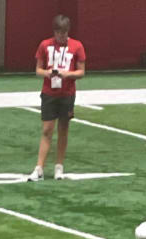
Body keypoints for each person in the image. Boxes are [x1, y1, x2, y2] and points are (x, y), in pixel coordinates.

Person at [27, 14, 86, 182]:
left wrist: (67, 74)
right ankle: (39, 168)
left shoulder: (77, 46)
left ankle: (59, 166)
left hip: (67, 94)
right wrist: (48, 72)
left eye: (65, 33)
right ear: (54, 32)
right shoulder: (45, 45)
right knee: (47, 130)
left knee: (63, 129)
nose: (62, 36)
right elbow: (37, 69)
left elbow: (82, 72)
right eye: (60, 33)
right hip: (49, 93)